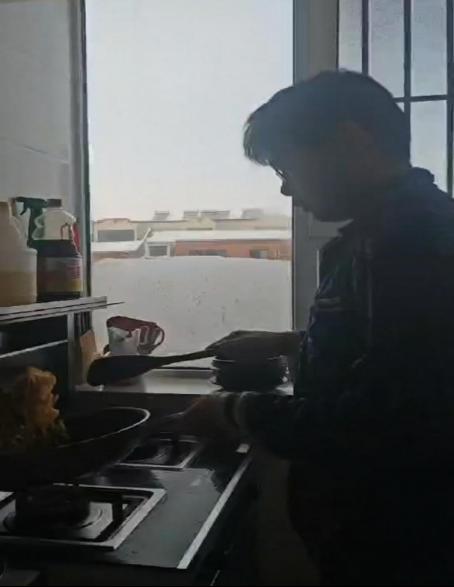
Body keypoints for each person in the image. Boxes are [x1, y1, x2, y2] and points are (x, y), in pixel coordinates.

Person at [179, 71, 454, 585]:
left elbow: (388, 417)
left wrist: (234, 410)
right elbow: (397, 355)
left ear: (349, 141)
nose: (286, 187)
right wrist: (290, 343)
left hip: (406, 539)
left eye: (287, 167)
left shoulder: (410, 241)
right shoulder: (389, 232)